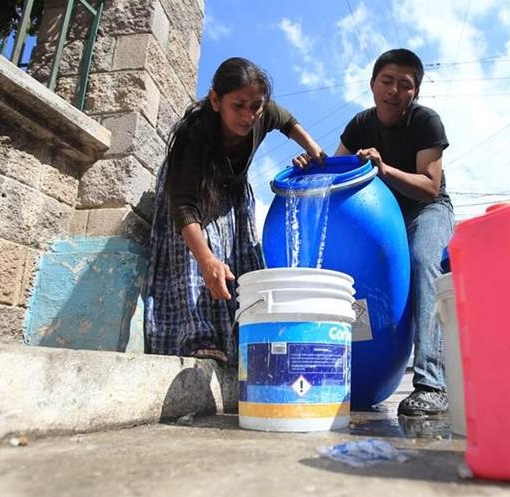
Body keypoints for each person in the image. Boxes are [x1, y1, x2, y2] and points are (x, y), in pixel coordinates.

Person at [144, 57, 325, 363]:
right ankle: (199, 338)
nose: (248, 115)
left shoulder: (262, 112)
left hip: (232, 189)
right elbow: (184, 207)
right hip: (191, 193)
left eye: (255, 106)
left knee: (244, 263)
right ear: (216, 100)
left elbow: (287, 121)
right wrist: (205, 259)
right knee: (202, 257)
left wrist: (314, 151)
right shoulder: (193, 137)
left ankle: (244, 344)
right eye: (238, 105)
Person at [332, 48, 454, 416]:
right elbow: (335, 172)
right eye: (387, 81)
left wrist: (383, 169)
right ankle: (349, 373)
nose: (394, 91)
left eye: (405, 85)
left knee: (422, 261)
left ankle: (432, 383)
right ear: (372, 84)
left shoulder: (425, 121)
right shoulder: (359, 125)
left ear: (414, 93)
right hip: (384, 219)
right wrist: (311, 161)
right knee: (353, 277)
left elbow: (430, 186)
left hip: (427, 212)